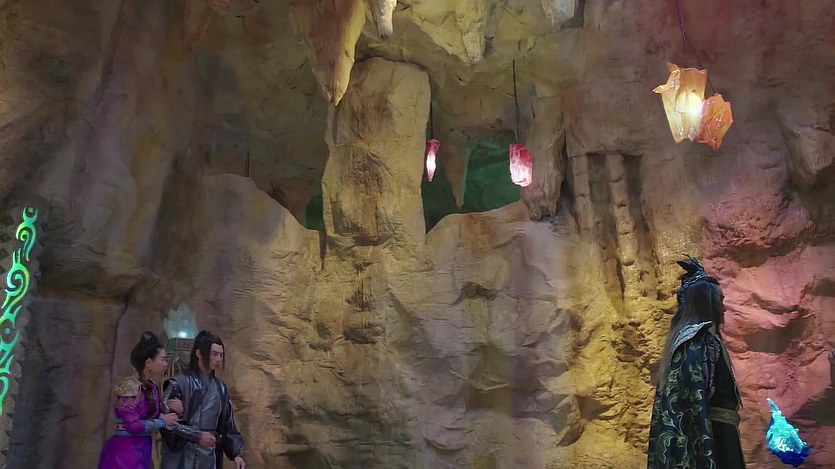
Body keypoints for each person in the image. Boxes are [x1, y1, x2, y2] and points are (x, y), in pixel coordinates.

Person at [647, 257, 746, 468]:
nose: (724, 308)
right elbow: (692, 401)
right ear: (707, 302)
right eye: (720, 300)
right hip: (716, 437)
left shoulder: (706, 340)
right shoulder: (697, 342)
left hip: (724, 434)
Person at [160, 330, 246, 469]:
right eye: (214, 354)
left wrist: (236, 454)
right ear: (199, 354)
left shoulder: (221, 388)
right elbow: (166, 424)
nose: (218, 359)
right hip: (182, 457)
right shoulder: (178, 384)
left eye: (221, 355)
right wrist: (197, 436)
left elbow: (227, 425)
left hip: (209, 457)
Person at [98, 331, 180, 469]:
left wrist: (176, 409)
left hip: (143, 448)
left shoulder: (152, 387)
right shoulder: (128, 387)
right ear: (148, 362)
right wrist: (162, 421)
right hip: (125, 451)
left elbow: (156, 414)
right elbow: (134, 426)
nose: (165, 364)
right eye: (162, 360)